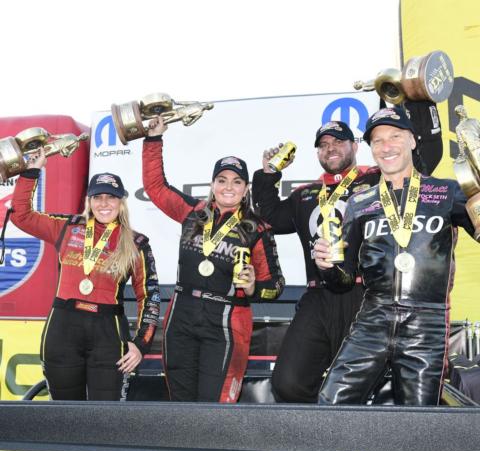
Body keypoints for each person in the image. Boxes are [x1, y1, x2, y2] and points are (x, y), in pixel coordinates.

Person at [252, 100, 443, 403]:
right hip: (319, 296)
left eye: (338, 141)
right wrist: (268, 174)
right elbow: (269, 216)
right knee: (288, 382)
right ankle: (322, 435)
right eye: (323, 144)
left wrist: (420, 99)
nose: (330, 148)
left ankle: (357, 439)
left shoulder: (378, 179)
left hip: (367, 296)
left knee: (359, 387)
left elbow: (426, 158)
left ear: (355, 146)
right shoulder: (305, 195)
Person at [314, 106, 478, 405]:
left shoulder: (446, 192)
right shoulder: (359, 202)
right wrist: (326, 266)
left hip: (426, 323)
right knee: (331, 405)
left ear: (413, 141)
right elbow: (343, 280)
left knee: (418, 421)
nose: (386, 146)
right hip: (372, 320)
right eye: (378, 141)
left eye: (395, 136)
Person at [142, 116, 285, 403]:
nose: (228, 187)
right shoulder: (191, 212)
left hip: (226, 320)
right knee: (180, 400)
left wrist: (256, 285)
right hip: (182, 313)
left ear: (246, 188)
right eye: (222, 180)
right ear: (212, 184)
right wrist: (154, 140)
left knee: (215, 405)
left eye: (236, 181)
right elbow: (155, 187)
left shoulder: (257, 229)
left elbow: (276, 285)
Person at [11, 151, 161, 401]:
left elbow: (150, 296)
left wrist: (141, 344)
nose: (104, 204)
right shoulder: (68, 227)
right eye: (97, 197)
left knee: (106, 418)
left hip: (108, 333)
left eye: (111, 197)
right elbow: (20, 215)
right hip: (63, 329)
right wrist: (31, 172)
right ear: (89, 201)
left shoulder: (136, 243)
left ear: (121, 202)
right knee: (64, 414)